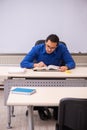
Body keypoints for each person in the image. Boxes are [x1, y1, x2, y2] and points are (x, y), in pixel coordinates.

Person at [20, 34, 76, 120]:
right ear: (45, 42)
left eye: (53, 48)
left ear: (57, 46)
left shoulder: (62, 48)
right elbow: (23, 63)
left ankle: (56, 107)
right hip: (39, 78)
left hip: (56, 78)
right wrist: (35, 64)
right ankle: (40, 107)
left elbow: (72, 63)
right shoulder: (37, 48)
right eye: (48, 46)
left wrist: (67, 67)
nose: (49, 49)